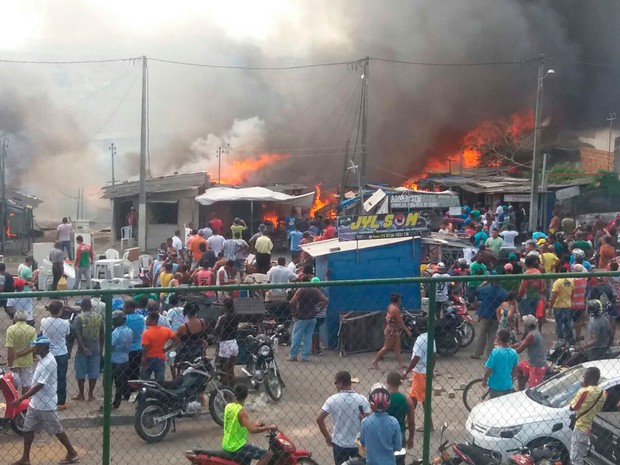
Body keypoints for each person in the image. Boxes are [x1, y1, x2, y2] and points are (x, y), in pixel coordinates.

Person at [10, 336, 79, 465]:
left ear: (44, 347)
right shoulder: (43, 358)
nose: (34, 348)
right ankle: (26, 458)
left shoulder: (49, 362)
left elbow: (39, 385)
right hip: (36, 402)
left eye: (37, 346)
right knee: (27, 428)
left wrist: (20, 399)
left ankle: (72, 452)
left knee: (57, 430)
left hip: (46, 404)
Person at [317, 370, 371, 465]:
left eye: (335, 383)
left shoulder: (332, 400)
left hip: (339, 443)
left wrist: (327, 436)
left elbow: (319, 419)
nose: (335, 386)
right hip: (358, 443)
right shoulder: (362, 399)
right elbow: (368, 421)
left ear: (340, 383)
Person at [221, 384, 277, 465]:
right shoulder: (242, 412)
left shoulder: (228, 406)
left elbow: (241, 424)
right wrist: (269, 427)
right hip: (237, 447)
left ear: (235, 394)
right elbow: (252, 430)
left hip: (226, 444)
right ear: (246, 396)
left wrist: (256, 424)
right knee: (268, 454)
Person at [569, 366, 607, 465]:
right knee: (586, 454)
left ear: (587, 377)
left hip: (581, 426)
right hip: (593, 427)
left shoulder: (584, 391)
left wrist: (583, 386)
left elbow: (573, 407)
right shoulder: (603, 392)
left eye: (584, 376)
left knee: (576, 457)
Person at [402, 324, 436, 432]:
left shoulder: (420, 340)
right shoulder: (431, 337)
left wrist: (406, 371)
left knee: (414, 398)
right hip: (425, 372)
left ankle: (409, 421)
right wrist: (430, 370)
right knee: (422, 398)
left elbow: (416, 358)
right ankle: (427, 423)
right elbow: (434, 355)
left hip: (419, 372)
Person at [287, 276, 329, 362]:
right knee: (308, 337)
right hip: (312, 316)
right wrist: (318, 310)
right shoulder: (315, 290)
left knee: (297, 336)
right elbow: (325, 300)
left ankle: (293, 355)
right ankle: (305, 356)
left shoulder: (301, 290)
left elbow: (292, 302)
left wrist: (294, 312)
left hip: (302, 316)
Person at [359, 385, 402, 465]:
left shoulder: (365, 422)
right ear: (388, 403)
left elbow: (363, 442)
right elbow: (398, 447)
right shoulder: (394, 422)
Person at [40, 300, 71, 410]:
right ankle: (61, 402)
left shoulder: (44, 321)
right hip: (61, 352)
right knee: (61, 377)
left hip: (48, 352)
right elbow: (67, 334)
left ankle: (47, 400)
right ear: (61, 310)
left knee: (48, 377)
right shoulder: (65, 323)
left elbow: (42, 332)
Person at [73, 298, 103, 401]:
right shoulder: (98, 317)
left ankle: (81, 394)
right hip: (95, 347)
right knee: (93, 371)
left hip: (83, 349)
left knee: (80, 371)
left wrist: (83, 347)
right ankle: (90, 394)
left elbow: (77, 333)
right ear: (91, 306)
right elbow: (102, 333)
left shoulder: (79, 318)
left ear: (82, 306)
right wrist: (101, 347)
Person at [370, 294, 411, 369]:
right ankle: (375, 361)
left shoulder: (390, 306)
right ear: (398, 300)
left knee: (397, 348)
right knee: (386, 347)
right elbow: (400, 321)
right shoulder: (395, 309)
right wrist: (407, 330)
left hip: (393, 330)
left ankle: (400, 364)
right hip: (391, 331)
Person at [471, 280, 507, 360]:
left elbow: (476, 291)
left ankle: (478, 353)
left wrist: (483, 283)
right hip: (496, 315)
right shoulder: (503, 292)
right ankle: (490, 355)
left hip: (485, 313)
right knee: (492, 335)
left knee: (482, 334)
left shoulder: (486, 289)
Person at [5, 310, 37, 394]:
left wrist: (10, 362)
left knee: (12, 384)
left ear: (15, 318)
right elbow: (32, 347)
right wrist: (20, 354)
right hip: (27, 361)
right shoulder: (32, 330)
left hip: (14, 361)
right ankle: (24, 403)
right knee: (26, 385)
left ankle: (13, 402)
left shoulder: (11, 330)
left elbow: (10, 348)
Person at [512, 314, 547, 390]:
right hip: (532, 362)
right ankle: (521, 389)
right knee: (519, 367)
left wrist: (506, 351)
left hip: (537, 365)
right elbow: (521, 342)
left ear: (526, 325)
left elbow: (519, 350)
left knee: (534, 389)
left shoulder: (531, 335)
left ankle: (525, 389)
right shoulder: (535, 332)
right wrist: (509, 346)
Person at [482, 329, 518, 399]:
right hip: (508, 385)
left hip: (495, 385)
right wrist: (511, 380)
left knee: (494, 404)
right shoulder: (514, 353)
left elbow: (489, 369)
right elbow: (515, 369)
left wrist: (484, 380)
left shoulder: (496, 352)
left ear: (498, 338)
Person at [141, 311, 176, 384]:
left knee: (145, 379)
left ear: (153, 321)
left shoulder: (146, 333)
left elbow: (145, 348)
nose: (146, 321)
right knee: (159, 380)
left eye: (148, 319)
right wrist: (167, 349)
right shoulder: (166, 330)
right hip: (160, 357)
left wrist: (144, 359)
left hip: (148, 358)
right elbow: (176, 340)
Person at [385, 371, 415, 453]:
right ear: (400, 383)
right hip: (400, 433)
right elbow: (411, 422)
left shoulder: (384, 399)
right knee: (399, 458)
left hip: (384, 433)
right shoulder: (407, 400)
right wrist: (411, 438)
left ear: (387, 383)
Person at [214, 298, 240, 387]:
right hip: (234, 342)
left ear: (225, 307)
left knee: (224, 370)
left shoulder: (223, 318)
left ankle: (226, 393)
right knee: (231, 369)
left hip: (225, 343)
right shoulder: (236, 316)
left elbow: (216, 331)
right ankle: (232, 389)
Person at [111, 310, 133, 409]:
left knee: (117, 382)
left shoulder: (116, 332)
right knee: (122, 381)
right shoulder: (129, 330)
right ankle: (125, 398)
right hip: (125, 358)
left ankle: (116, 402)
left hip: (115, 359)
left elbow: (111, 345)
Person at [173, 302, 207, 366]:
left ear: (186, 313)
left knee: (172, 356)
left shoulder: (183, 326)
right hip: (199, 349)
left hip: (186, 352)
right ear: (196, 312)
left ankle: (176, 373)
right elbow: (204, 334)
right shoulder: (202, 322)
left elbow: (174, 337)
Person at [124, 300, 145, 398]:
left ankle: (127, 392)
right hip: (138, 347)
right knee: (135, 371)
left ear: (129, 308)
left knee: (126, 372)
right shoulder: (141, 318)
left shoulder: (125, 319)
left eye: (125, 307)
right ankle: (134, 392)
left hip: (127, 348)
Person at [548, 267, 575, 344]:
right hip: (567, 305)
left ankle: (560, 339)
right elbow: (573, 293)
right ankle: (570, 338)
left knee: (559, 323)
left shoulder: (557, 282)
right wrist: (570, 301)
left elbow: (554, 295)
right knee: (567, 323)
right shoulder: (571, 281)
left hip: (558, 305)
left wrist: (550, 306)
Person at [517, 254, 545, 322]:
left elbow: (523, 287)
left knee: (527, 317)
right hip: (536, 296)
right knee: (534, 316)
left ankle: (528, 331)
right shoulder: (538, 272)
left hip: (526, 297)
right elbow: (541, 286)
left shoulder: (526, 273)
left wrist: (519, 296)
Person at [571, 264, 589, 342]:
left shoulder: (572, 281)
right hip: (580, 303)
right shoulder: (584, 280)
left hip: (572, 303)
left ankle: (571, 337)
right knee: (578, 321)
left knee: (570, 321)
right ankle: (577, 336)